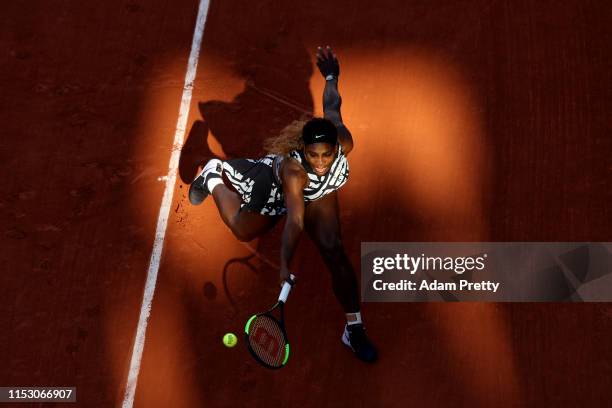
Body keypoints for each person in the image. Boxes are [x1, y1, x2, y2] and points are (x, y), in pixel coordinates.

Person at [189, 46, 377, 363]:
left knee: (334, 251)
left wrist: (331, 75)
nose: (319, 162)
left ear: (337, 149)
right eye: (312, 154)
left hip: (318, 195)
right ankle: (214, 174)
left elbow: (333, 104)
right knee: (241, 228)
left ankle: (354, 329)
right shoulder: (294, 171)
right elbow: (296, 221)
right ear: (302, 149)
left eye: (326, 155)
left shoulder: (344, 141)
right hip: (275, 187)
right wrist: (285, 264)